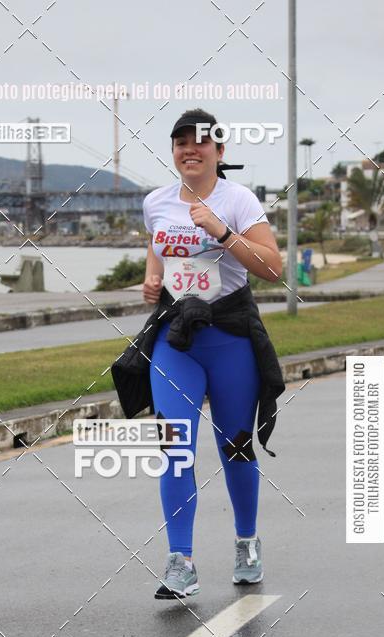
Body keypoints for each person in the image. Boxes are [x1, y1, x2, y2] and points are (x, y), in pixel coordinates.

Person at [118, 109, 284, 599]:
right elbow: (159, 245)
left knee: (234, 446)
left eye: (200, 143)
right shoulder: (157, 202)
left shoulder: (238, 200)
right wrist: (153, 278)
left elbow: (272, 268)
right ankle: (181, 560)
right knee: (174, 449)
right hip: (178, 339)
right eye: (179, 143)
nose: (189, 150)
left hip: (230, 337)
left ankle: (246, 542)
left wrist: (222, 232)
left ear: (220, 151)